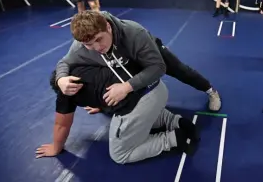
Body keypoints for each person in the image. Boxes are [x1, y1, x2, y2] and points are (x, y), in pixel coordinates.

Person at [54, 11, 222, 112]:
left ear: (108, 27)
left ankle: (210, 90)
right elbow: (64, 62)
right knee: (105, 74)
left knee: (180, 70)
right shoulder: (82, 45)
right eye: (89, 44)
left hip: (146, 50)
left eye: (99, 39)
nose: (97, 47)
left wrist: (126, 87)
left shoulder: (134, 33)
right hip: (122, 61)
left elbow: (158, 67)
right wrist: (61, 79)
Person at [35, 65, 200, 164]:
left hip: (141, 102)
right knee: (141, 107)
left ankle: (172, 139)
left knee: (120, 154)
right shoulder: (83, 62)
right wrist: (100, 105)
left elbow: (61, 124)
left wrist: (56, 148)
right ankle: (174, 120)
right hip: (157, 87)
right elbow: (102, 83)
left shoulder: (65, 92)